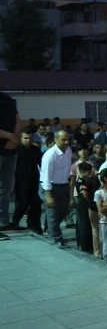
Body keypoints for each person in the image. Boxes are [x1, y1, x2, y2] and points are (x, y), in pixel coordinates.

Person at [39, 129, 73, 246]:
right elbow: (46, 176)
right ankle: (57, 240)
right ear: (55, 140)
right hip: (50, 187)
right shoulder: (50, 155)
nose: (66, 142)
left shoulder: (68, 150)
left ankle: (49, 228)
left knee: (64, 211)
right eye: (63, 140)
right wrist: (48, 195)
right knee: (53, 213)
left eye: (68, 139)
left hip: (63, 185)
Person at [12, 129, 43, 234]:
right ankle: (14, 222)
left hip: (34, 181)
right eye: (25, 138)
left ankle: (34, 225)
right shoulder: (16, 150)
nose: (28, 140)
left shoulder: (36, 150)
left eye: (30, 138)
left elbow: (40, 165)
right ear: (21, 138)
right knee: (22, 204)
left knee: (36, 203)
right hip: (20, 182)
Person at [0, 89, 22, 235]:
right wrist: (10, 136)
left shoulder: (6, 98)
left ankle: (3, 222)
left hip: (10, 149)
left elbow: (17, 119)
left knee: (6, 187)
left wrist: (15, 138)